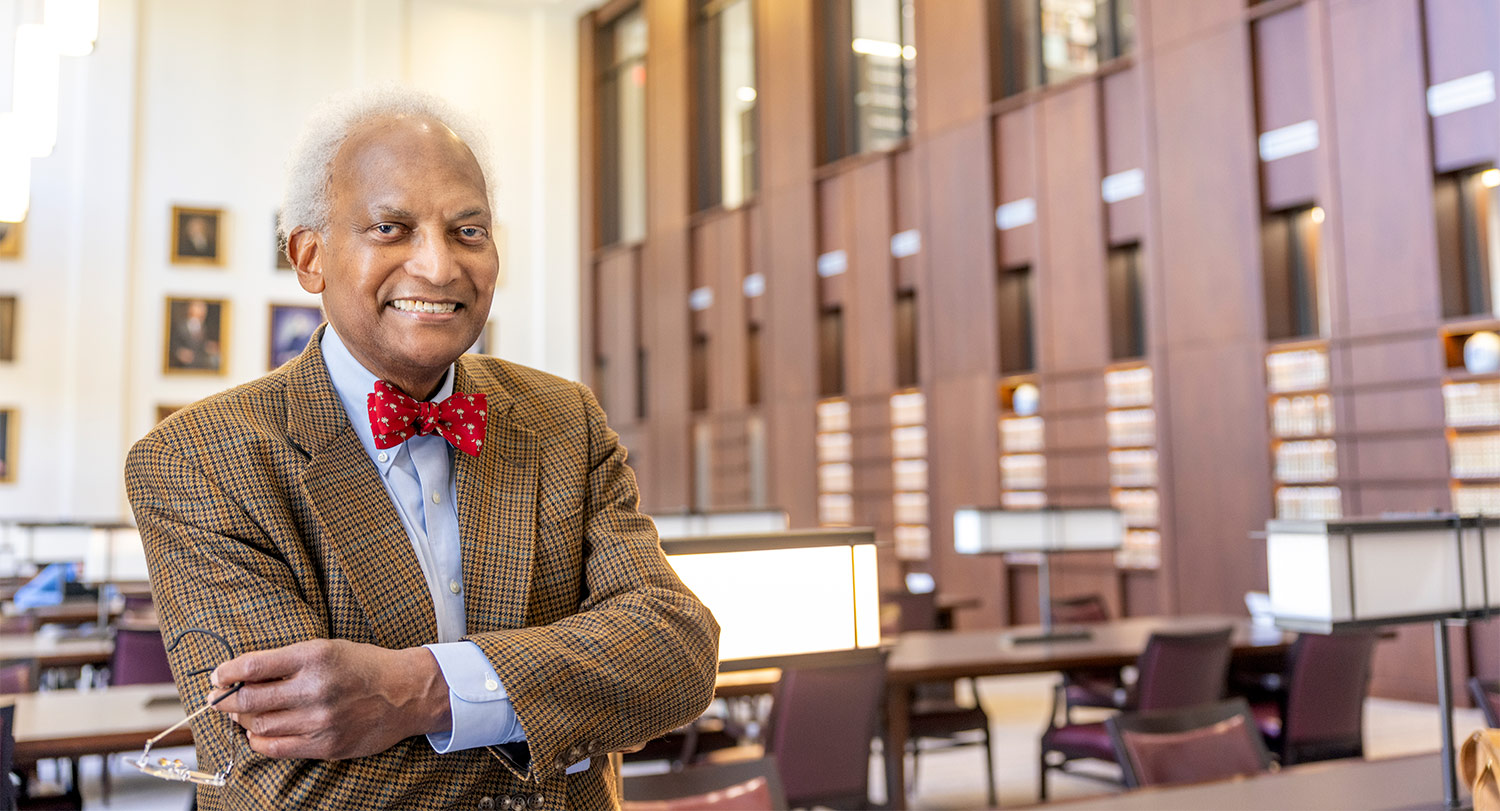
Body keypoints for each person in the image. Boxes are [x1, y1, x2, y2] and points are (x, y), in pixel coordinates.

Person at [125, 87, 720, 810]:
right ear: (309, 257)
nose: (439, 266)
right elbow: (283, 786)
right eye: (391, 227)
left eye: (468, 231)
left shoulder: (566, 419)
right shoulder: (197, 460)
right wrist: (563, 727)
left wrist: (416, 692)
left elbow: (677, 651)